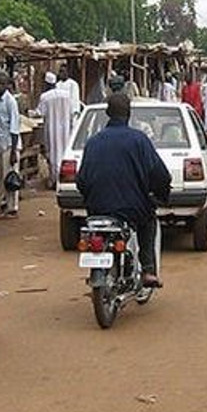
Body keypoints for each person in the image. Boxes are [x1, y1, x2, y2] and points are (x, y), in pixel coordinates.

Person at [76, 93, 172, 288]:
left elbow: (81, 180)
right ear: (129, 114)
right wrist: (162, 194)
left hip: (97, 208)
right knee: (148, 221)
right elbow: (159, 174)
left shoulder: (93, 142)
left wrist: (90, 198)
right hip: (133, 208)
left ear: (108, 113)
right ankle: (148, 269)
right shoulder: (139, 140)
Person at [0, 72, 21, 217]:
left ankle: (12, 207)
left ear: (8, 85)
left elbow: (14, 127)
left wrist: (14, 151)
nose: (0, 86)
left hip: (9, 145)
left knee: (10, 178)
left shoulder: (10, 102)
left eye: (3, 84)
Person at [36, 72, 74, 190]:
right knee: (64, 152)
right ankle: (63, 179)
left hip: (52, 128)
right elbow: (72, 111)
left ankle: (55, 180)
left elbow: (40, 113)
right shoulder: (67, 95)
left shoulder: (45, 97)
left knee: (53, 154)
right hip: (66, 128)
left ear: (47, 84)